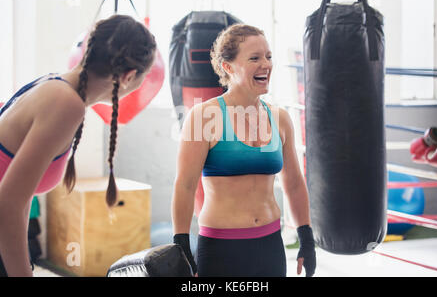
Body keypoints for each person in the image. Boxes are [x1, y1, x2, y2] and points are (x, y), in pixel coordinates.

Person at [0, 14, 157, 277]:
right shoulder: (66, 104)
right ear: (129, 76)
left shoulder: (54, 86)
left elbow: (19, 193)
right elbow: (8, 202)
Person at [171, 24, 316, 277]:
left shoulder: (279, 118)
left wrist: (306, 235)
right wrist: (181, 243)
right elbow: (185, 185)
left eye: (268, 56)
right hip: (221, 248)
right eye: (254, 58)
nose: (266, 64)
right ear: (228, 67)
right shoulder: (203, 117)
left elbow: (293, 182)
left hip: (270, 245)